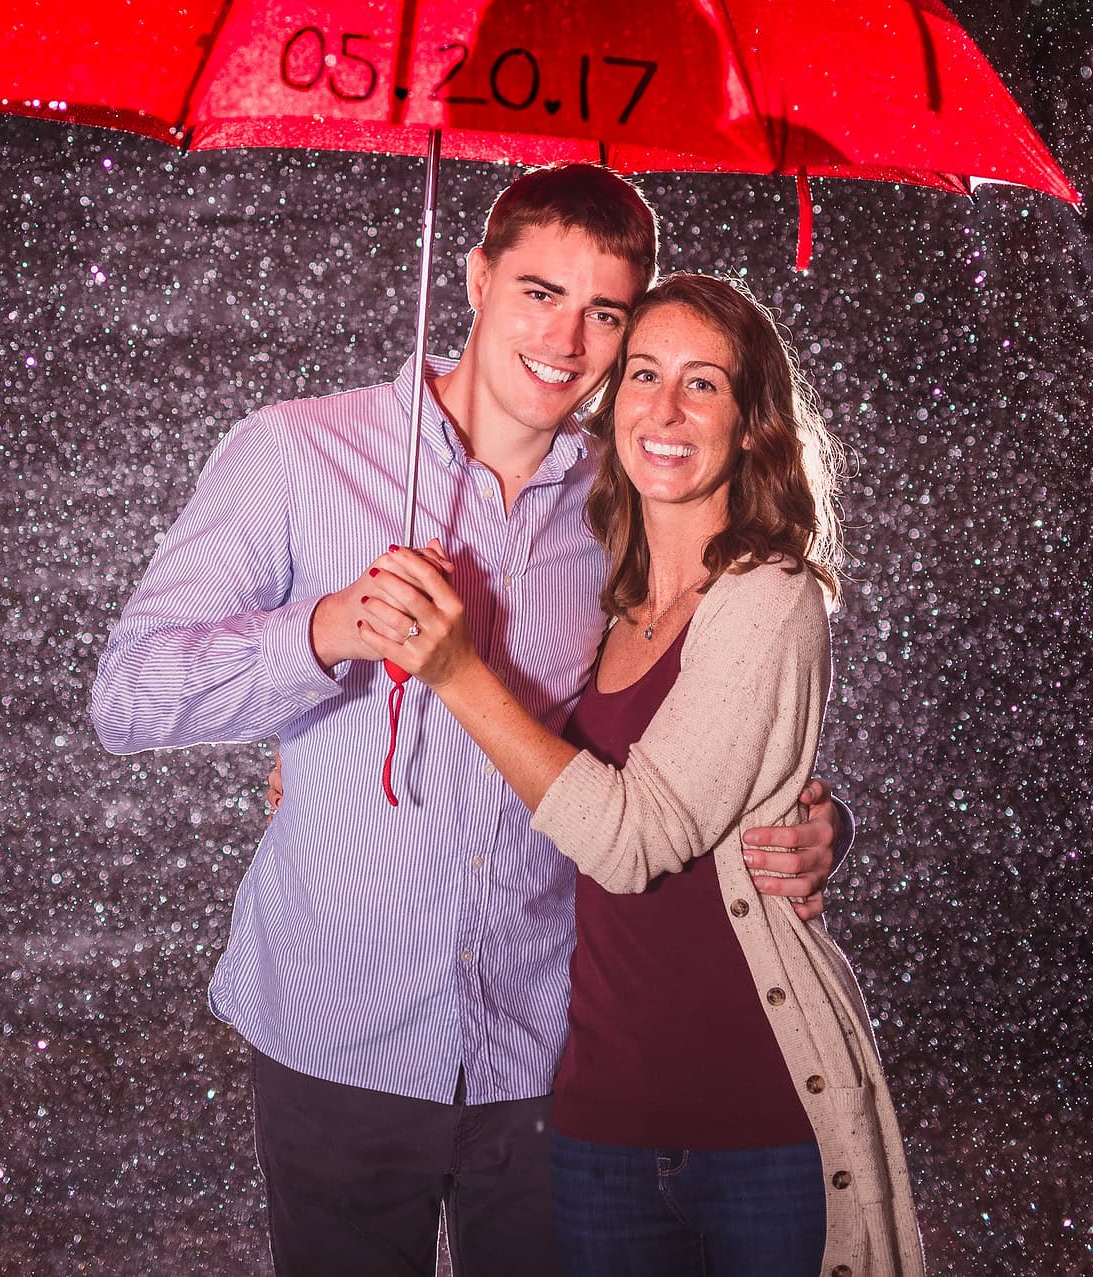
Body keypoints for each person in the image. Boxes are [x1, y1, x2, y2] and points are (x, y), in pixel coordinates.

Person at [89, 166, 848, 1276]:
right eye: (539, 291)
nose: (567, 338)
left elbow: (698, 695)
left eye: (605, 312)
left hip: (547, 1049)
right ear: (477, 275)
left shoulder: (625, 498)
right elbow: (128, 693)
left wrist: (803, 811)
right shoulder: (295, 453)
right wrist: (324, 631)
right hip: (336, 1030)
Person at [358, 273, 923, 1277]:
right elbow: (534, 778)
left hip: (756, 1124)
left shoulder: (770, 594)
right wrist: (333, 752)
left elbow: (633, 839)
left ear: (751, 425)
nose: (664, 409)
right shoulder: (606, 593)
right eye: (644, 375)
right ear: (610, 402)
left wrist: (455, 669)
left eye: (703, 384)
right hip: (598, 1124)